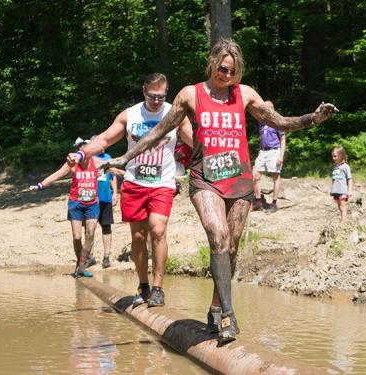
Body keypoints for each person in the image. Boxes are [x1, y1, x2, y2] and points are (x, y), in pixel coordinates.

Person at [76, 39, 338, 345]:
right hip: (205, 178)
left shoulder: (246, 94)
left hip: (239, 180)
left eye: (234, 71)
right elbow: (158, 132)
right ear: (212, 62)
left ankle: (215, 307)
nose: (227, 75)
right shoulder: (190, 94)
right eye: (223, 68)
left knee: (231, 247)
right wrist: (124, 158)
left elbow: (280, 123)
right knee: (218, 235)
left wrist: (314, 118)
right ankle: (228, 314)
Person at [67, 73, 193, 308]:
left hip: (162, 183)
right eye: (152, 96)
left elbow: (196, 141)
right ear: (144, 91)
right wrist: (82, 153)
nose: (156, 101)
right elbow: (104, 139)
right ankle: (143, 285)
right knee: (137, 236)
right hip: (135, 183)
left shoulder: (175, 114)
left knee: (158, 229)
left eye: (161, 96)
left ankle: (157, 288)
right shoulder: (130, 114)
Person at [30, 139, 99, 278]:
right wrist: (40, 185)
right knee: (77, 237)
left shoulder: (97, 162)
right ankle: (81, 263)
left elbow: (114, 167)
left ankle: (81, 265)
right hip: (75, 203)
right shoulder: (72, 164)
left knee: (90, 234)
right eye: (79, 152)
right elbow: (57, 174)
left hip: (92, 203)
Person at [84, 144, 119, 270]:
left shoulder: (108, 158)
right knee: (89, 228)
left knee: (106, 226)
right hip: (91, 197)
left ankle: (106, 257)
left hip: (105, 197)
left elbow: (113, 176)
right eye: (99, 144)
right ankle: (90, 256)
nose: (102, 146)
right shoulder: (89, 158)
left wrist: (115, 193)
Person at [252, 100, 286, 213]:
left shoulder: (278, 122)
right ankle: (258, 202)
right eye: (263, 108)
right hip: (263, 151)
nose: (265, 110)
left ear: (272, 109)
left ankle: (274, 204)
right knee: (256, 175)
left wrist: (281, 155)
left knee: (275, 176)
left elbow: (283, 139)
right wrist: (258, 154)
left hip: (274, 151)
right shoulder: (261, 122)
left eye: (267, 108)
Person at [331, 146, 352, 221]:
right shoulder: (334, 167)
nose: (333, 158)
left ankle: (344, 222)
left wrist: (349, 191)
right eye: (333, 156)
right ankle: (342, 220)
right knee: (339, 207)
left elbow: (349, 179)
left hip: (342, 190)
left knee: (343, 207)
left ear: (341, 155)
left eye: (335, 156)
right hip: (336, 190)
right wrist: (332, 189)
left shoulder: (346, 167)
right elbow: (333, 179)